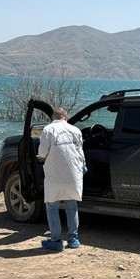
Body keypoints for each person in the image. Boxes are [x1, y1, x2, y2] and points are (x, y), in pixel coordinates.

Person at [37, 107, 86, 252]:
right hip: (73, 174)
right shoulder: (75, 130)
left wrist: (39, 158)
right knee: (72, 207)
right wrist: (83, 166)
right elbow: (80, 152)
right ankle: (73, 239)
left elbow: (43, 153)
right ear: (66, 117)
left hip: (55, 175)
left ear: (53, 118)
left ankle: (56, 240)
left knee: (52, 207)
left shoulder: (48, 130)